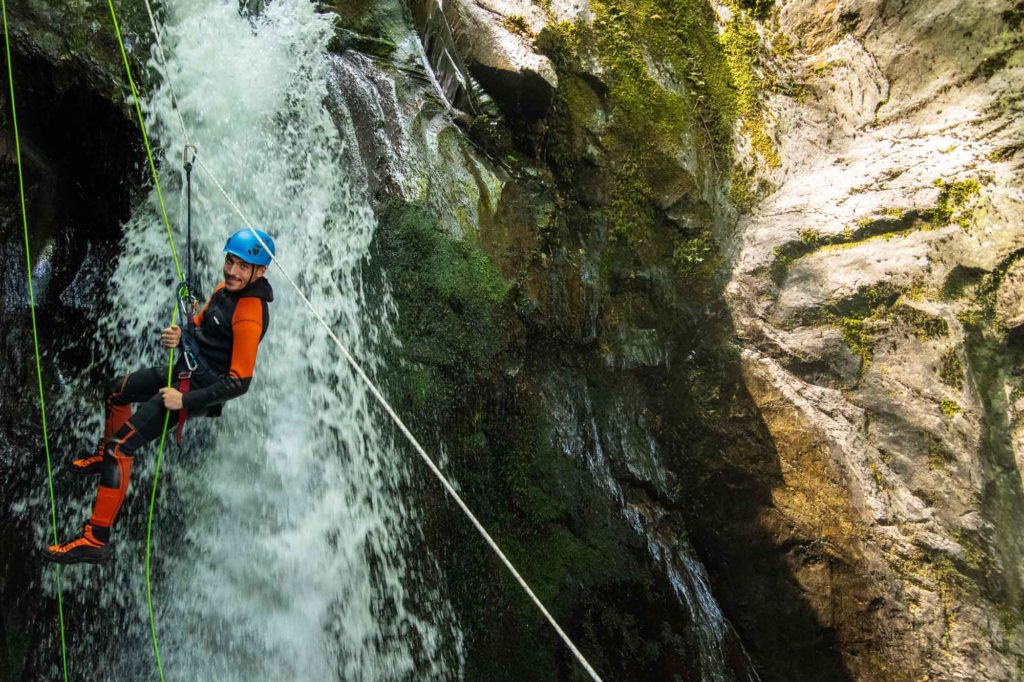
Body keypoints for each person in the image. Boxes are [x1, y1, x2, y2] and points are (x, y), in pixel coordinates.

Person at [42, 228, 276, 564]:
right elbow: (199, 325)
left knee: (121, 447)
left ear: (260, 271)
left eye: (243, 267)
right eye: (230, 261)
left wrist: (184, 402)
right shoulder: (224, 291)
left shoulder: (250, 313)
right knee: (116, 391)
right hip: (185, 371)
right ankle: (103, 460)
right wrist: (181, 333)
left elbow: (239, 382)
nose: (232, 271)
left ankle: (96, 539)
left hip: (196, 391)